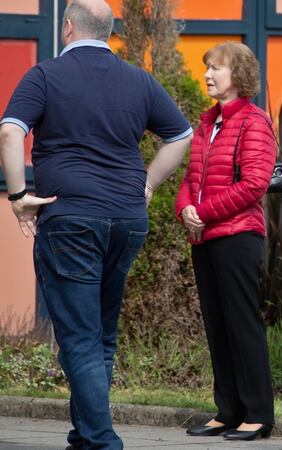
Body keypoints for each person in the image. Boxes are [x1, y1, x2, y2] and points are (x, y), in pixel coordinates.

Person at [0, 1, 193, 448]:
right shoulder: (138, 80)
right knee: (100, 335)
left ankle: (103, 441)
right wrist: (147, 183)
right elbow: (179, 135)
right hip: (127, 219)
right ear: (108, 31)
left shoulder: (45, 76)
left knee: (81, 338)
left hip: (71, 219)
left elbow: (11, 131)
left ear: (67, 27)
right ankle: (87, 435)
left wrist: (17, 197)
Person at [174, 42, 276, 441]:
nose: (208, 75)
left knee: (242, 324)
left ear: (240, 76)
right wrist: (185, 209)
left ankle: (258, 414)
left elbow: (254, 183)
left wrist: (205, 212)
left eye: (216, 68)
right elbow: (190, 179)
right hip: (206, 238)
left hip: (238, 238)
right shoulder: (207, 122)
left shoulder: (254, 121)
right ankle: (228, 410)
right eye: (208, 68)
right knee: (217, 326)